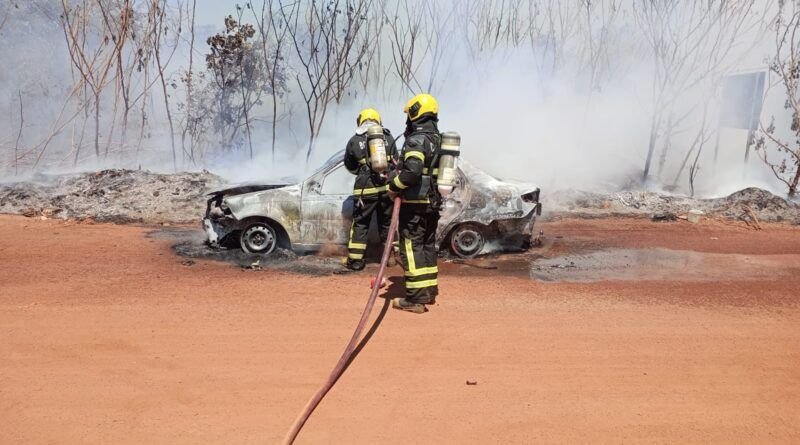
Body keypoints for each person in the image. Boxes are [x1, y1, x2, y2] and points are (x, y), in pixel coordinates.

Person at [387, 94, 443, 313]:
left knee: (410, 248)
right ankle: (428, 290)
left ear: (416, 112)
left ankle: (416, 299)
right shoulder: (437, 139)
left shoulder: (416, 140)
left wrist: (394, 186)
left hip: (415, 205)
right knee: (427, 245)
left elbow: (412, 172)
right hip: (432, 204)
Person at [343, 108, 397, 271]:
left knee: (361, 224)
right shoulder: (388, 137)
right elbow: (396, 162)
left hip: (365, 191)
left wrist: (362, 171)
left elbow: (349, 165)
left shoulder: (354, 140)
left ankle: (356, 261)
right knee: (387, 224)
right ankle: (390, 258)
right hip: (386, 189)